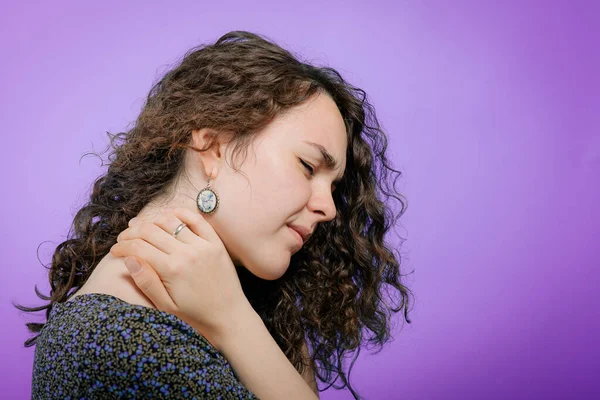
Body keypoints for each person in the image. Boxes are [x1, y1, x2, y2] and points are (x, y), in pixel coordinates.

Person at [15, 30, 413, 399]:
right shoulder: (120, 343)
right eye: (308, 167)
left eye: (334, 187)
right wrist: (233, 323)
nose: (327, 207)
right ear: (212, 146)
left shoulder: (251, 305)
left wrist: (238, 320)